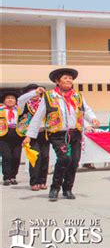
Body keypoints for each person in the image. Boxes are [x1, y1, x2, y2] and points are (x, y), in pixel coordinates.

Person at [23, 68, 100, 201]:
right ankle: (54, 188)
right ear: (57, 81)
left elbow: (86, 110)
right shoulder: (49, 96)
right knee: (64, 159)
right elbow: (38, 116)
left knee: (74, 161)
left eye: (70, 78)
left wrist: (92, 119)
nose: (69, 80)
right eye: (65, 78)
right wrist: (29, 135)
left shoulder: (77, 96)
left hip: (75, 133)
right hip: (57, 134)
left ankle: (68, 188)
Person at [16, 84, 49, 191]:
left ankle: (42, 181)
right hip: (29, 135)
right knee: (35, 157)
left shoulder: (44, 103)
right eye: (33, 92)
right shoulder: (23, 104)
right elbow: (20, 98)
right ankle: (34, 182)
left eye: (38, 92)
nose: (36, 94)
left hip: (44, 133)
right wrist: (34, 92)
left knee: (45, 157)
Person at [0, 89, 22, 186]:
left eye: (12, 98)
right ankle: (7, 177)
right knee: (7, 156)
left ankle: (13, 176)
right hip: (4, 134)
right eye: (8, 98)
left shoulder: (20, 110)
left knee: (16, 157)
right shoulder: (1, 109)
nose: (10, 100)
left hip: (17, 134)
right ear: (4, 100)